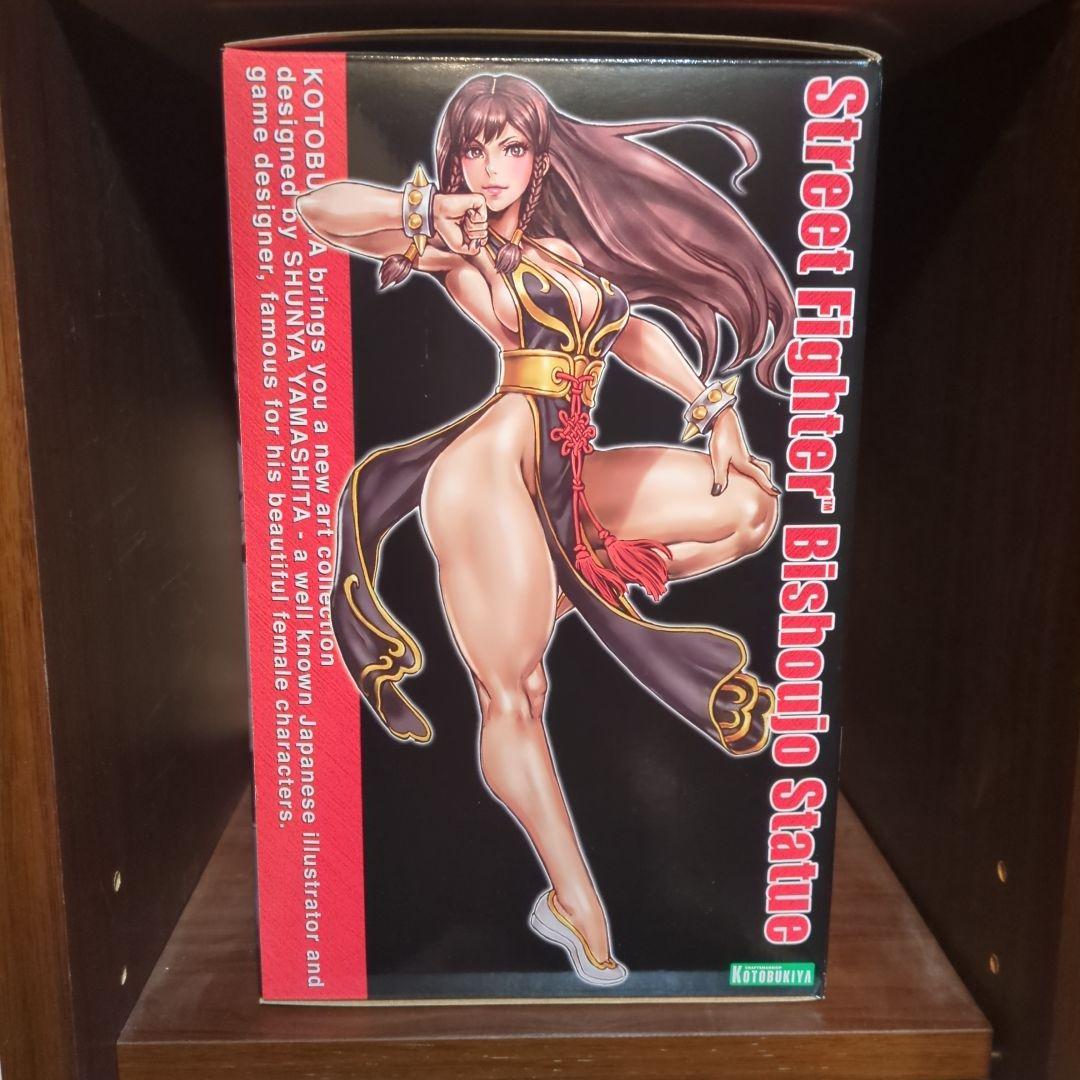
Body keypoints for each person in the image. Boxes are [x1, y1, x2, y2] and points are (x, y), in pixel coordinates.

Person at [296, 72, 795, 987]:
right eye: (475, 147)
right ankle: (576, 903)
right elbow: (316, 209)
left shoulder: (562, 248)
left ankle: (563, 584)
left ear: (538, 157)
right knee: (517, 693)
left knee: (749, 508)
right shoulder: (455, 236)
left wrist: (713, 405)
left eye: (511, 147)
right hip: (490, 468)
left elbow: (627, 332)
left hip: (566, 468)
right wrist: (428, 209)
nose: (492, 166)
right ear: (455, 158)